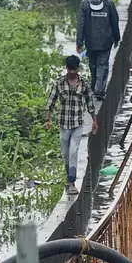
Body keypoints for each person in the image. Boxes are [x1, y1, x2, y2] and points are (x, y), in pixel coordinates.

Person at [45, 55, 99, 195]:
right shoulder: (59, 83)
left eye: (74, 70)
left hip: (77, 123)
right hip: (63, 124)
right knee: (65, 153)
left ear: (78, 69)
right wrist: (47, 119)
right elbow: (51, 101)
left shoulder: (84, 84)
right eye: (70, 70)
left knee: (73, 151)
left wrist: (94, 121)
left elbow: (90, 103)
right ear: (67, 69)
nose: (72, 73)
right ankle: (68, 178)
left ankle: (72, 182)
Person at [76, 0, 120, 101]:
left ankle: (95, 87)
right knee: (102, 65)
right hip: (105, 42)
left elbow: (80, 24)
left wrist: (79, 43)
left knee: (93, 65)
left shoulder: (85, 3)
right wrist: (116, 38)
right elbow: (114, 22)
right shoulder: (109, 4)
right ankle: (99, 91)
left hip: (90, 42)